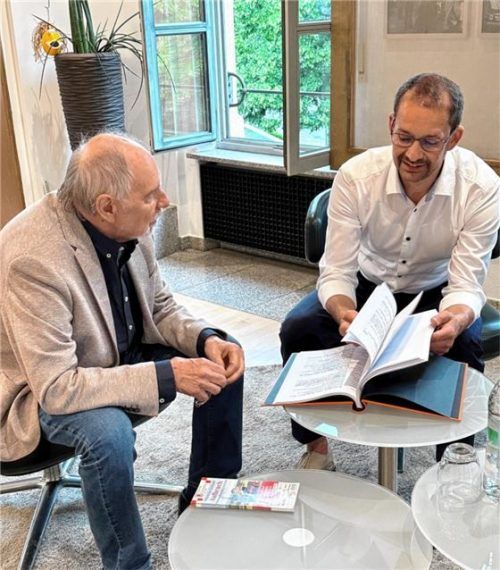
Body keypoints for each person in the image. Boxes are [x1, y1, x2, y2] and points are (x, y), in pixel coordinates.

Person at [0, 133, 245, 569]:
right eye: (151, 196)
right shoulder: (33, 259)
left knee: (221, 354)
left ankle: (206, 501)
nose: (164, 201)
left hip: (112, 353)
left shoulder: (131, 224)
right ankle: (130, 564)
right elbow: (57, 387)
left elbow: (159, 306)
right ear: (106, 206)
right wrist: (170, 375)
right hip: (39, 392)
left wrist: (206, 338)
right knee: (108, 433)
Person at [280, 73, 499, 470]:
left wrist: (455, 319)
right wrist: (343, 312)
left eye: (430, 141)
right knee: (299, 329)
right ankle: (316, 447)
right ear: (391, 125)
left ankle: (453, 467)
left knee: (464, 349)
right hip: (367, 288)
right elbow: (337, 271)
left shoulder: (481, 186)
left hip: (435, 293)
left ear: (454, 138)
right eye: (404, 137)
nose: (413, 153)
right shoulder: (356, 176)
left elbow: (466, 282)